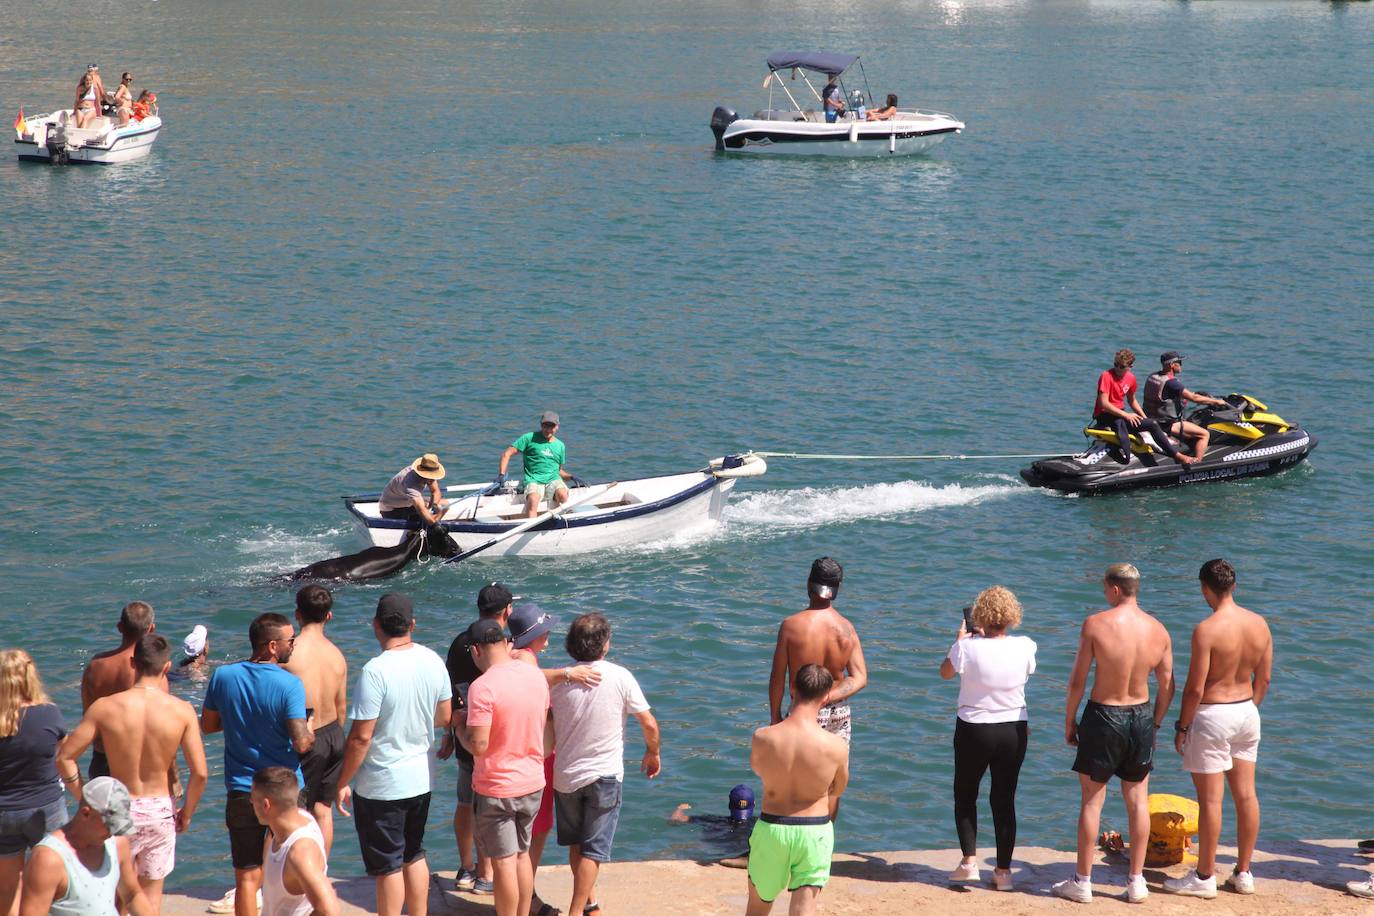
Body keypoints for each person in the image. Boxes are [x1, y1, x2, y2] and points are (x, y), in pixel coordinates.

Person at [57, 634, 208, 913]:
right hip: (159, 811)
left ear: (132, 662)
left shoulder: (105, 707)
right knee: (149, 898)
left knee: (114, 897)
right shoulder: (182, 711)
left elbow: (65, 757)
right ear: (166, 667)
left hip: (117, 811)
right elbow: (200, 773)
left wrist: (85, 798)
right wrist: (186, 812)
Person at [1052, 563, 1175, 905]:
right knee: (1137, 801)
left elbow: (1078, 679)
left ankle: (1083, 881)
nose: (1104, 594)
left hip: (1104, 715)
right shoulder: (1159, 630)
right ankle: (1136, 883)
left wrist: (1069, 719)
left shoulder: (1096, 624)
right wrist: (1157, 723)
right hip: (1141, 716)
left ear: (1116, 589)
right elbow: (1167, 685)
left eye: (1105, 588)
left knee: (1092, 801)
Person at [335, 594, 451, 916]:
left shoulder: (375, 671)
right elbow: (444, 717)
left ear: (376, 626)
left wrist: (342, 781)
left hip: (383, 784)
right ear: (412, 625)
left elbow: (360, 737)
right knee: (414, 853)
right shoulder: (432, 660)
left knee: (387, 865)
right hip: (421, 779)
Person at [1163, 559, 1272, 899]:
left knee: (1211, 801)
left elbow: (1195, 688)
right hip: (1246, 711)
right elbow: (1264, 678)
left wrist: (1181, 726)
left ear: (1205, 588)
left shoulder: (1206, 629)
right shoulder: (1260, 624)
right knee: (1246, 795)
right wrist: (1249, 707)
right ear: (1234, 586)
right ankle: (1243, 872)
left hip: (1213, 714)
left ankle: (1205, 876)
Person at [550, 612, 661, 916]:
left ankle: (590, 904)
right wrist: (653, 753)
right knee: (594, 850)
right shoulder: (620, 676)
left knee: (577, 844)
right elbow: (648, 723)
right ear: (605, 645)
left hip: (566, 776)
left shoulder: (559, 680)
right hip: (604, 777)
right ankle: (576, 910)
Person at [201, 613, 313, 916]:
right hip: (285, 788)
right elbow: (301, 743)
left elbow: (209, 725)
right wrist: (311, 729)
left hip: (242, 789)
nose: (294, 645)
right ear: (273, 646)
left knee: (247, 876)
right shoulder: (290, 684)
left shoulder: (223, 676)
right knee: (293, 870)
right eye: (291, 640)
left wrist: (243, 720)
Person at [938, 586, 1037, 891]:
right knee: (1004, 800)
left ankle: (969, 863)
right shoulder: (1026, 646)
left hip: (974, 729)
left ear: (980, 615)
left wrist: (958, 643)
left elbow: (945, 673)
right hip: (1013, 730)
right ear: (1010, 616)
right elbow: (1025, 671)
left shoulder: (966, 647)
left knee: (966, 794)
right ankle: (1003, 873)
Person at [507, 603, 602, 915]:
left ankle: (523, 899)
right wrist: (567, 673)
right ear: (534, 634)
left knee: (520, 839)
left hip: (512, 761)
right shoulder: (525, 665)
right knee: (533, 838)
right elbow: (530, 677)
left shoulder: (508, 659)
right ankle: (527, 902)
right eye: (544, 628)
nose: (549, 632)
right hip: (537, 761)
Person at [457, 618, 550, 916]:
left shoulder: (482, 687)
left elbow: (478, 745)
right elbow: (548, 732)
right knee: (522, 856)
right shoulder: (535, 676)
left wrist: (459, 725)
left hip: (497, 787)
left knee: (504, 862)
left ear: (476, 650)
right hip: (533, 781)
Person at [746, 664, 849, 916]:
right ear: (826, 696)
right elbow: (839, 788)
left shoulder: (763, 737)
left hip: (772, 829)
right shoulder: (836, 746)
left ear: (793, 689)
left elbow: (758, 769)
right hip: (814, 833)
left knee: (756, 911)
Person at [438, 583, 517, 896]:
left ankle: (465, 866)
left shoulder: (460, 643)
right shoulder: (504, 646)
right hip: (495, 739)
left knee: (464, 801)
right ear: (506, 611)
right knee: (487, 807)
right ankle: (485, 875)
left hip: (463, 733)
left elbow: (451, 695)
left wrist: (448, 733)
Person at [19, 776, 152, 916]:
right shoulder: (48, 859)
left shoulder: (118, 844)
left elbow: (131, 895)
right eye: (109, 825)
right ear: (86, 814)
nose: (112, 833)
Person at [769, 558, 867, 747]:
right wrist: (828, 697)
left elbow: (778, 677)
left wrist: (775, 717)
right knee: (835, 772)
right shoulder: (846, 628)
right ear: (836, 588)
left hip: (803, 711)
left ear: (809, 582)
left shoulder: (791, 626)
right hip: (839, 713)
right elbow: (860, 677)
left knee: (801, 773)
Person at [0, 650, 68, 916]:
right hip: (46, 807)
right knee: (58, 882)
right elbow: (63, 756)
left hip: (3, 812)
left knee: (7, 889)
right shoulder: (49, 714)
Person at [281, 585, 348, 856]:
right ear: (328, 616)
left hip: (306, 736)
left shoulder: (289, 654)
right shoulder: (337, 655)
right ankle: (321, 870)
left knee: (295, 811)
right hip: (334, 734)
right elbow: (341, 707)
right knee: (323, 810)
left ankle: (295, 873)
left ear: (297, 615)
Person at [81, 601, 161, 780]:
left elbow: (87, 714)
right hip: (139, 763)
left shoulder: (95, 666)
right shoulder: (150, 670)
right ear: (152, 629)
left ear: (119, 627)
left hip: (102, 760)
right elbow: (159, 725)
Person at [250, 766, 340, 916]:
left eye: (252, 799)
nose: (250, 803)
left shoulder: (300, 853)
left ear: (266, 805)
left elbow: (330, 910)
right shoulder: (301, 818)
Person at [1093, 349, 1195, 466]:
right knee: (1151, 425)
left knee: (1151, 424)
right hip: (1106, 417)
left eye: (1122, 366)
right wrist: (1127, 415)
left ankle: (1164, 453)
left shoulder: (1130, 378)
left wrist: (1144, 418)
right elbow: (1103, 404)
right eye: (1116, 364)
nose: (1117, 368)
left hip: (1120, 415)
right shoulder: (1106, 376)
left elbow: (1132, 401)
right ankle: (1178, 456)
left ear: (1130, 367)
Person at [1143, 351, 1229, 462]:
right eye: (1179, 362)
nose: (1181, 365)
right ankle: (1196, 463)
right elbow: (1193, 398)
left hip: (1150, 419)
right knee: (1204, 434)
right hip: (1167, 425)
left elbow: (1173, 394)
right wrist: (1217, 402)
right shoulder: (1171, 382)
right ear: (1172, 365)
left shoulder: (1153, 377)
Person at [497, 412, 585, 519]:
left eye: (551, 426)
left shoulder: (560, 445)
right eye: (545, 426)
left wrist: (571, 477)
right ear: (541, 425)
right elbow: (507, 454)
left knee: (563, 495)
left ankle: (559, 523)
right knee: (533, 500)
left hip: (553, 479)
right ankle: (532, 527)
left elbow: (559, 471)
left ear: (557, 426)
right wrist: (501, 474)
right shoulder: (529, 438)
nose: (548, 430)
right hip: (534, 480)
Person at [666, 785, 757, 862]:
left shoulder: (714, 820)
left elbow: (675, 820)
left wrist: (680, 808)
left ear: (729, 804)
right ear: (754, 804)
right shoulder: (759, 823)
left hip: (717, 850)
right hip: (745, 852)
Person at [376, 453, 448, 526]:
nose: (433, 479)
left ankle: (430, 525)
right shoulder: (410, 484)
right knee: (428, 520)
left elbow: (435, 491)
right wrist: (434, 525)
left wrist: (434, 505)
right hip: (392, 510)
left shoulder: (428, 475)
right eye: (430, 476)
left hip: (408, 502)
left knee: (444, 504)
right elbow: (421, 509)